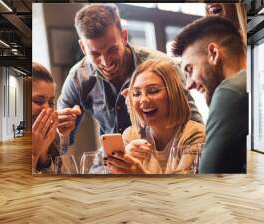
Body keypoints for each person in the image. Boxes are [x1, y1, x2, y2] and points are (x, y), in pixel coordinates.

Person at [56, 4, 202, 149]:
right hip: (109, 159)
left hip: (163, 156)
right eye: (95, 54)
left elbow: (194, 127)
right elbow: (59, 146)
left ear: (124, 37)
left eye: (112, 50)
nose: (106, 62)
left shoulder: (164, 66)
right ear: (83, 47)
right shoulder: (78, 78)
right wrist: (62, 134)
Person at [172, 16, 248, 173]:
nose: (188, 85)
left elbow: (208, 178)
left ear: (213, 53)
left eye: (189, 70)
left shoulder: (229, 92)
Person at [105, 59, 206, 174]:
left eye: (153, 91)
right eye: (136, 94)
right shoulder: (131, 135)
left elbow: (181, 189)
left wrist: (140, 174)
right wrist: (123, 162)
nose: (143, 99)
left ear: (173, 94)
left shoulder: (195, 135)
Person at [32, 62, 81, 173]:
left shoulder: (47, 137)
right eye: (38, 101)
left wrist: (64, 135)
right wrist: (34, 154)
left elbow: (60, 171)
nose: (47, 109)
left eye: (50, 102)